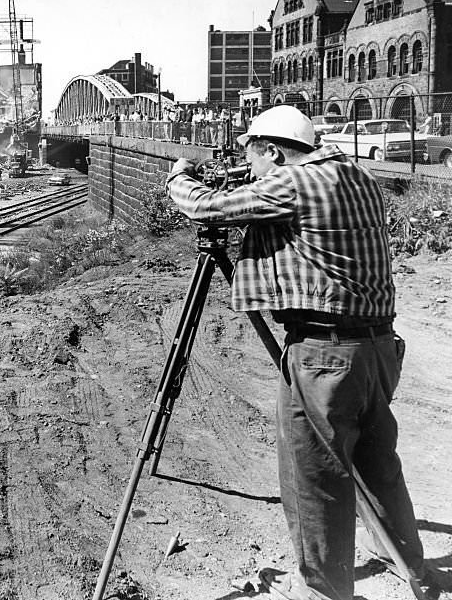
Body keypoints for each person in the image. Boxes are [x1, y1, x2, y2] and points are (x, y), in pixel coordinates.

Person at [165, 105, 434, 600]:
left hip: (325, 355)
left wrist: (179, 177)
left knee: (315, 475)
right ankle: (408, 565)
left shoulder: (293, 183)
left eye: (254, 163)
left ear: (273, 151)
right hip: (378, 347)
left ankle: (326, 590)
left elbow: (209, 208)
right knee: (378, 462)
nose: (252, 174)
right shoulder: (358, 176)